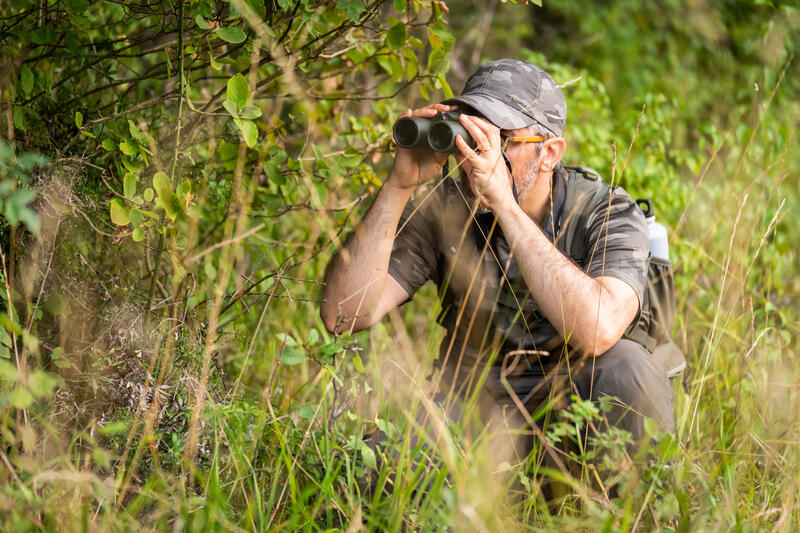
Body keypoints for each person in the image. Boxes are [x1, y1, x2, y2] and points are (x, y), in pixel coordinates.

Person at [320, 59, 674, 474]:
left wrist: (505, 204)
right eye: (469, 133)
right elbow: (342, 314)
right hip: (474, 405)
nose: (478, 154)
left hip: (573, 406)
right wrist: (399, 186)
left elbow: (598, 330)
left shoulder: (604, 209)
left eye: (500, 138)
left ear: (549, 153)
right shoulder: (446, 209)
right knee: (369, 470)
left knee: (628, 370)